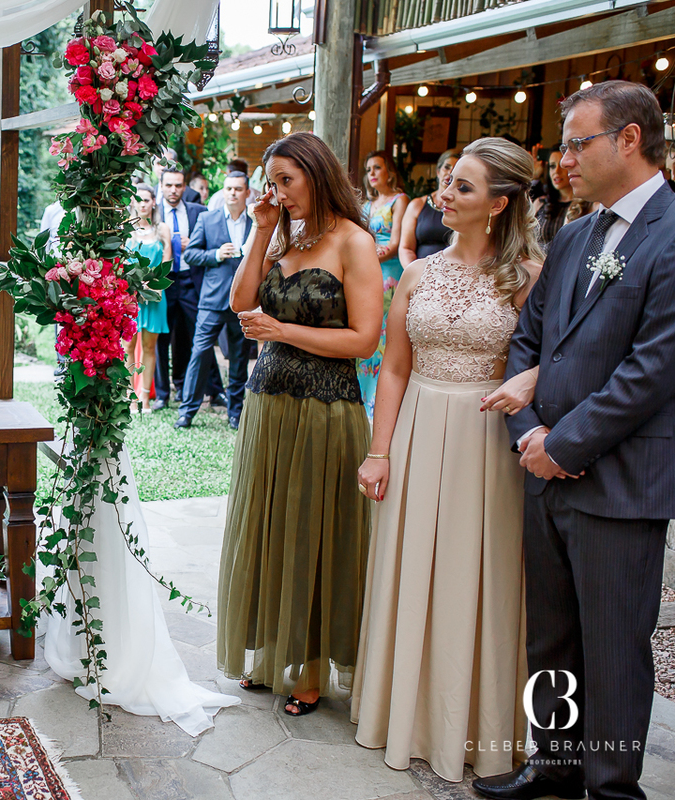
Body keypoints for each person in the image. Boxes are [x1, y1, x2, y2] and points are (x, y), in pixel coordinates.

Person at [474, 81, 675, 800]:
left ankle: (612, 788)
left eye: (575, 143)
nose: (563, 160)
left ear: (628, 139)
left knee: (616, 650)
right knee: (550, 637)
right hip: (542, 469)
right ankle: (553, 765)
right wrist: (528, 433)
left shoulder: (672, 233)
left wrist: (565, 443)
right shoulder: (576, 234)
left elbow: (653, 369)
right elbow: (530, 342)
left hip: (618, 480)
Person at [350, 138, 544, 782]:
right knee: (412, 568)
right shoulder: (418, 273)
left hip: (488, 442)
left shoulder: (529, 277)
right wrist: (380, 452)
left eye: (462, 186)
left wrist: (534, 381)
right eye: (446, 182)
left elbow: (562, 358)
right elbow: (396, 368)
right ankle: (401, 710)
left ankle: (480, 725)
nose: (444, 195)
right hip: (418, 430)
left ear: (498, 203)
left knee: (478, 574)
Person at [217, 132, 383, 717]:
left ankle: (311, 666)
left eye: (287, 180)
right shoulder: (284, 232)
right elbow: (241, 305)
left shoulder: (354, 242)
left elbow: (364, 340)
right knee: (269, 525)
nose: (278, 192)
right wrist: (261, 231)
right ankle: (271, 653)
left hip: (324, 408)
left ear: (316, 173)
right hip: (268, 403)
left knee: (314, 532)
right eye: (274, 181)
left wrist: (283, 331)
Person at [177, 170, 252, 430]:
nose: (232, 193)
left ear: (247, 193)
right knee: (199, 353)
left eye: (238, 189)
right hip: (211, 300)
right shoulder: (208, 219)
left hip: (243, 301)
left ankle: (235, 412)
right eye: (228, 188)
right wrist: (216, 254)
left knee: (239, 358)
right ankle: (186, 412)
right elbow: (192, 255)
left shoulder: (255, 223)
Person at [154, 167, 223, 410]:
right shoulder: (153, 211)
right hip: (162, 282)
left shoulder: (198, 212)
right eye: (169, 185)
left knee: (201, 334)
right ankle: (162, 394)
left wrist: (191, 242)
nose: (174, 190)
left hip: (190, 280)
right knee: (161, 338)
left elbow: (208, 243)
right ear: (161, 185)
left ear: (185, 187)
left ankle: (214, 390)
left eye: (179, 185)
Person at [358, 151, 408, 416]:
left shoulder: (400, 200)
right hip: (367, 269)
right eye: (368, 169)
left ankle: (380, 399)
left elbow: (396, 242)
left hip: (389, 272)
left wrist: (368, 253)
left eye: (377, 167)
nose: (372, 174)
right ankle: (362, 395)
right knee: (366, 327)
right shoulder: (367, 205)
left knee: (385, 332)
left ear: (389, 170)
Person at [125, 185, 171, 411]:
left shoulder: (162, 229)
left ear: (154, 201)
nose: (142, 204)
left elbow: (167, 265)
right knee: (128, 346)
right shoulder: (125, 229)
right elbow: (119, 264)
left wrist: (151, 284)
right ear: (132, 203)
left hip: (153, 295)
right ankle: (129, 396)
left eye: (147, 200)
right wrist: (132, 284)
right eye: (138, 200)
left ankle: (144, 398)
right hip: (129, 297)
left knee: (150, 347)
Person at [398, 149, 457, 265]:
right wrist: (416, 276)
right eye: (446, 167)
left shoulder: (464, 208)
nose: (450, 172)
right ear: (438, 172)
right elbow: (406, 248)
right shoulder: (417, 205)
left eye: (455, 169)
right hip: (420, 273)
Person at [532, 145, 577, 246]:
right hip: (538, 260)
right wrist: (535, 176)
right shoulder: (540, 203)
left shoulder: (586, 205)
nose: (556, 171)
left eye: (562, 166)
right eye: (552, 166)